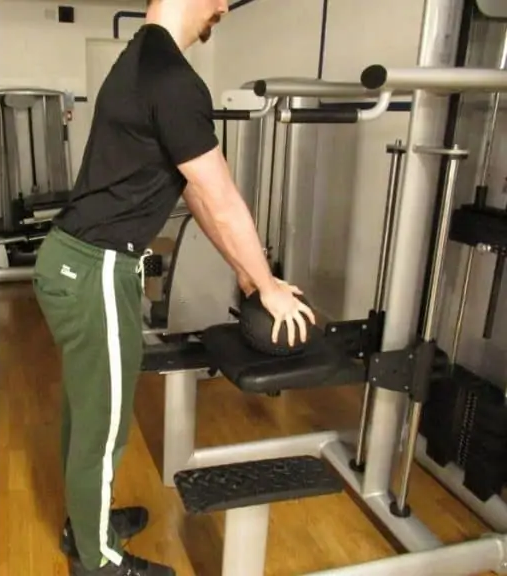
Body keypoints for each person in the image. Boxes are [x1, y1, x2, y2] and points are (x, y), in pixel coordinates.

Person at [32, 0, 317, 574]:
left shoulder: (139, 58)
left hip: (80, 263)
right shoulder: (171, 77)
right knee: (103, 429)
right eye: (219, 0)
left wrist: (245, 273)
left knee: (87, 412)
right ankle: (97, 561)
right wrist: (267, 286)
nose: (221, 10)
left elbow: (193, 190)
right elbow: (221, 195)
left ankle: (87, 524)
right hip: (95, 271)